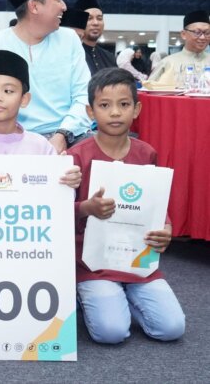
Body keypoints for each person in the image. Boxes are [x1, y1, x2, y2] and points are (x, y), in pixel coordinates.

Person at [68, 67, 185, 344]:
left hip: (138, 262)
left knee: (172, 328)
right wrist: (87, 208)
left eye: (124, 104)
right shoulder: (76, 156)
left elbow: (156, 205)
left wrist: (165, 228)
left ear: (136, 109)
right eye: (104, 106)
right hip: (92, 263)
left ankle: (125, 295)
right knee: (111, 332)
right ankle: (88, 295)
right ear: (90, 111)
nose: (115, 113)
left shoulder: (146, 153)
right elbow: (59, 214)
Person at [0, 0, 90, 153]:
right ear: (35, 6)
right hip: (12, 139)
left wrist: (63, 134)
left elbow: (84, 95)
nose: (64, 7)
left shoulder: (69, 39)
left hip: (70, 135)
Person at [0, 50, 81, 188]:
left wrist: (67, 180)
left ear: (24, 99)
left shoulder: (41, 147)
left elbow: (55, 193)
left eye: (8, 91)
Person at [147, 10, 210, 86]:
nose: (203, 37)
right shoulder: (168, 63)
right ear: (184, 34)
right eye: (197, 32)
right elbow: (149, 88)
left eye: (207, 33)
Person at [74, 0, 116, 75]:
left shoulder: (109, 57)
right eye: (89, 18)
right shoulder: (72, 54)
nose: (96, 23)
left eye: (99, 18)